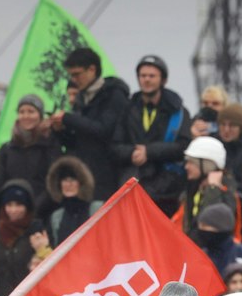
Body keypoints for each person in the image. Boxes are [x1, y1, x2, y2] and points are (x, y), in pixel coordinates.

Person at [51, 47, 130, 206]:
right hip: (84, 176)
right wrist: (59, 130)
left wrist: (68, 118)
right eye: (71, 75)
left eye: (77, 74)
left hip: (108, 175)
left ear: (92, 69)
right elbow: (75, 141)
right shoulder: (81, 99)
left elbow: (103, 130)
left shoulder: (114, 95)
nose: (74, 80)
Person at [125, 54, 191, 215]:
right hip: (133, 185)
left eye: (152, 76)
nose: (146, 80)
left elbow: (184, 146)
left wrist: (149, 152)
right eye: (143, 76)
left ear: (163, 80)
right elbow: (115, 144)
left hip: (167, 192)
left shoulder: (178, 112)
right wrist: (131, 153)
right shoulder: (127, 109)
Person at [0, 95, 61, 209]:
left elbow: (54, 181)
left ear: (40, 115)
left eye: (31, 111)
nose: (26, 116)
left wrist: (34, 208)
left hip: (44, 212)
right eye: (22, 112)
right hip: (12, 212)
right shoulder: (6, 149)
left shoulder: (51, 145)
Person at [45, 155, 95, 246]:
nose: (69, 184)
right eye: (65, 180)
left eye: (73, 180)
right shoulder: (56, 218)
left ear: (81, 183)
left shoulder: (96, 209)